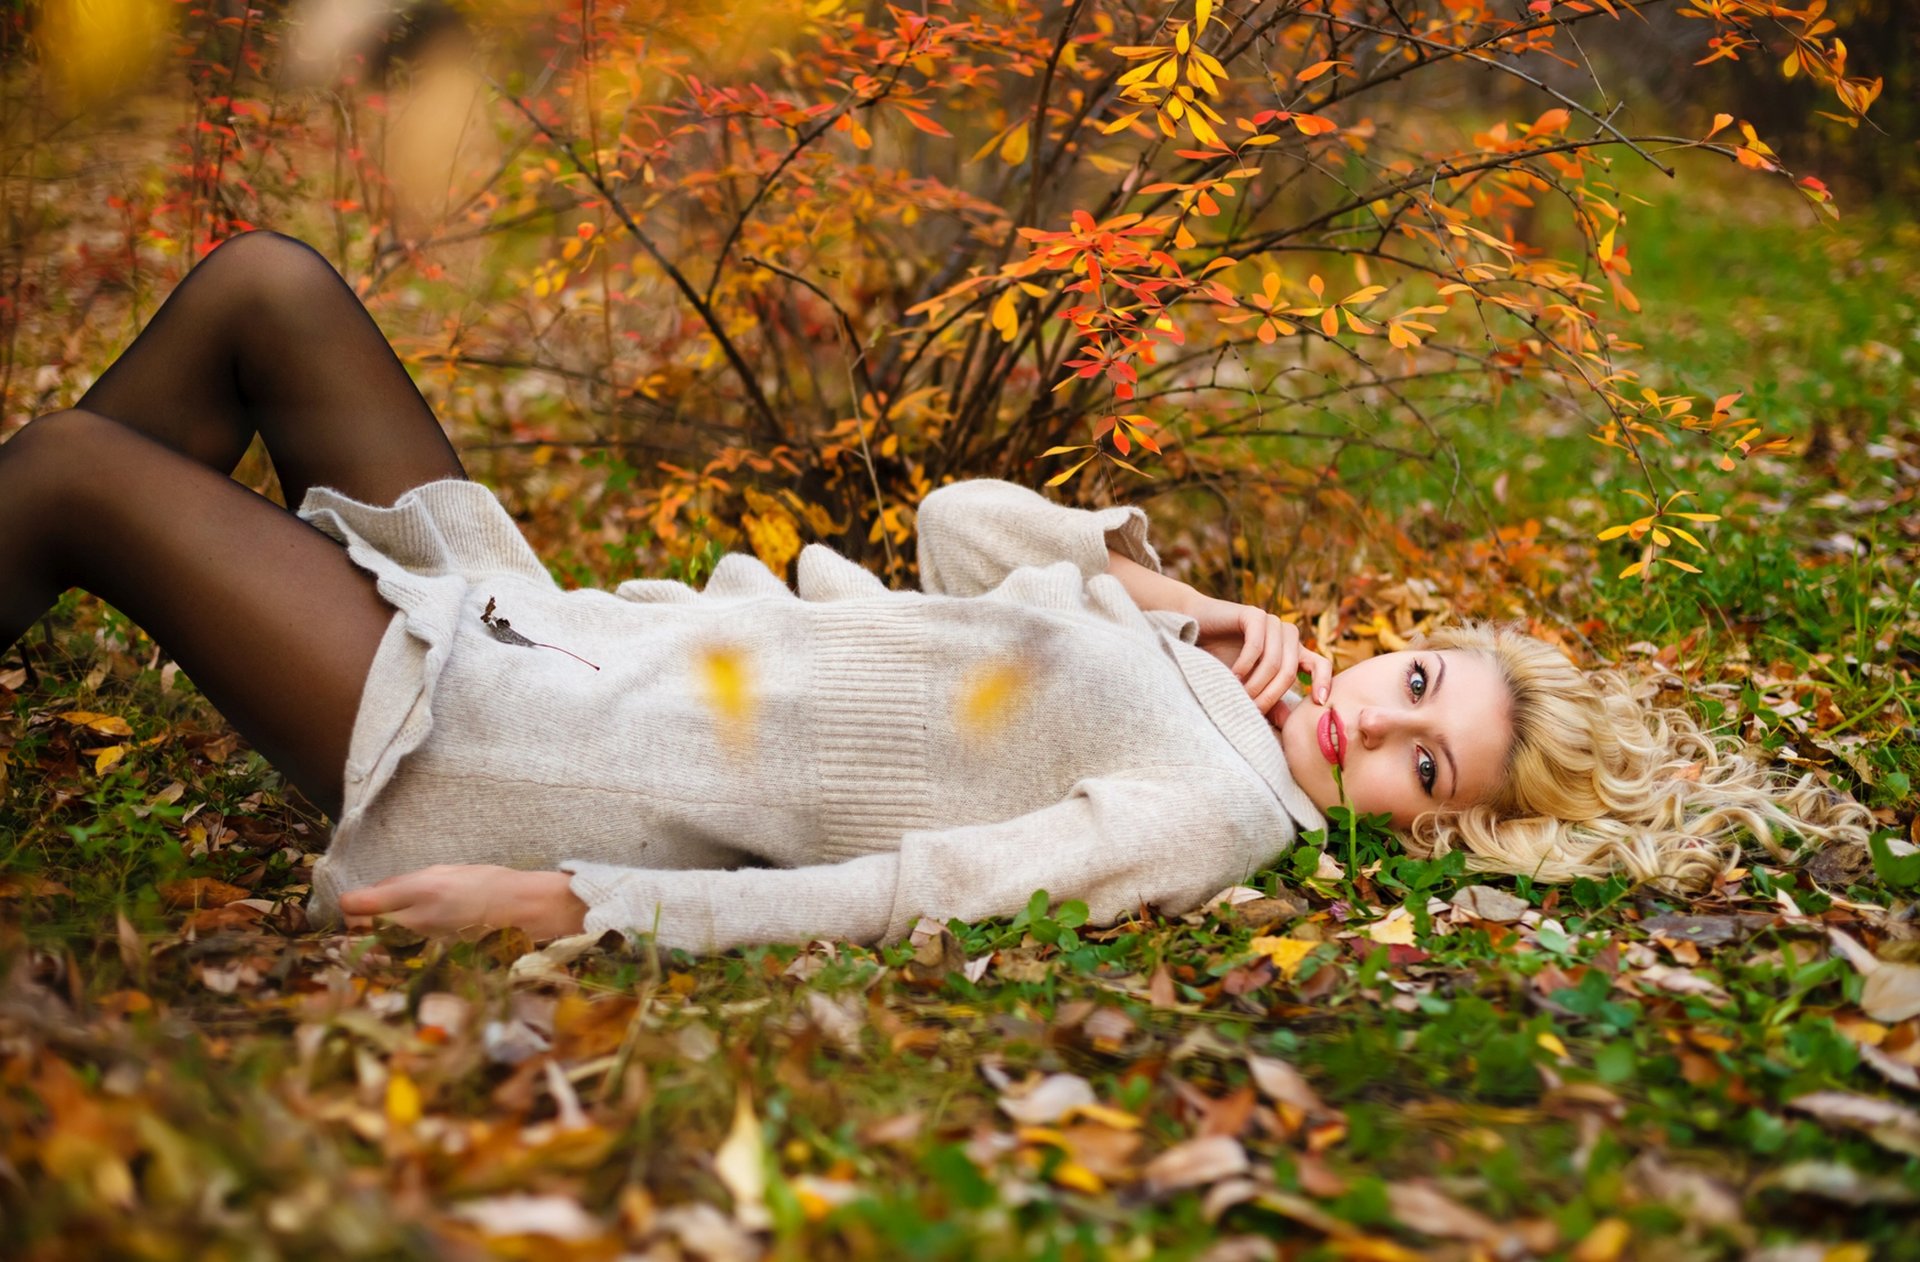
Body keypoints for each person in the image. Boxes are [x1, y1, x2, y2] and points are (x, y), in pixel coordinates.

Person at [0, 233, 1870, 951]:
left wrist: (572, 901)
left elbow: (915, 890)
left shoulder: (1213, 811)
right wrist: (1175, 598)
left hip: (514, 740)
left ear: (1416, 839)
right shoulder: (1219, 681)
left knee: (81, 475)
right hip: (558, 621)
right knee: (271, 288)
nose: (1367, 715)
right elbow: (963, 528)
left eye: (1420, 766)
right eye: (1412, 676)